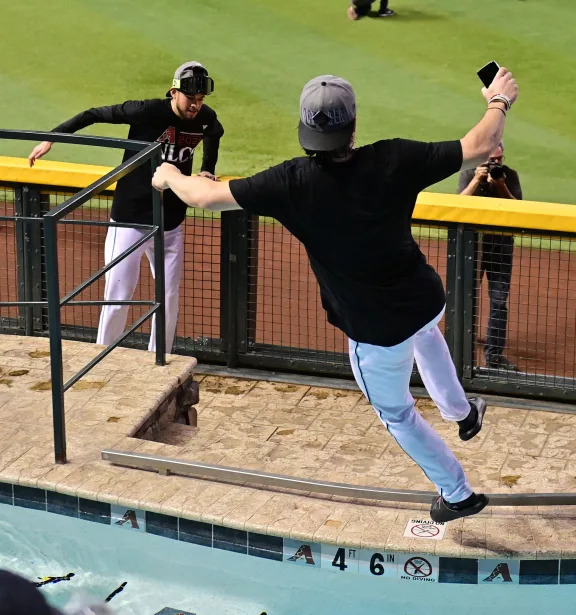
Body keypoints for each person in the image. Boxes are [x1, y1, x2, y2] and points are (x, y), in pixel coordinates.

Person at [150, 67, 519, 523]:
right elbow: (480, 145)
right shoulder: (394, 158)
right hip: (424, 297)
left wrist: (168, 173)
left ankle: (457, 493)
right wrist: (498, 100)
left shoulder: (291, 183)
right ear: (354, 126)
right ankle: (462, 414)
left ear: (305, 131)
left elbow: (204, 197)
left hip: (374, 331)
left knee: (397, 413)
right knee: (425, 331)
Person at [27, 61, 224, 354]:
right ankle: (103, 357)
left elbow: (214, 134)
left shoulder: (205, 118)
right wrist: (52, 138)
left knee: (168, 297)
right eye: (190, 98)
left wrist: (207, 168)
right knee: (118, 295)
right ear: (173, 92)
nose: (196, 105)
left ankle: (160, 360)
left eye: (200, 99)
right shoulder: (145, 111)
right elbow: (94, 114)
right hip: (129, 218)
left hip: (170, 222)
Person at [458, 142, 523, 371]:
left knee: (499, 302)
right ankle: (461, 349)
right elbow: (456, 206)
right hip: (471, 248)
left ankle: (493, 357)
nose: (496, 164)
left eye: (499, 159)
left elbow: (520, 212)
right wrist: (477, 180)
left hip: (501, 247)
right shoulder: (469, 174)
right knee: (464, 298)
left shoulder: (509, 176)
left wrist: (501, 186)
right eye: (491, 160)